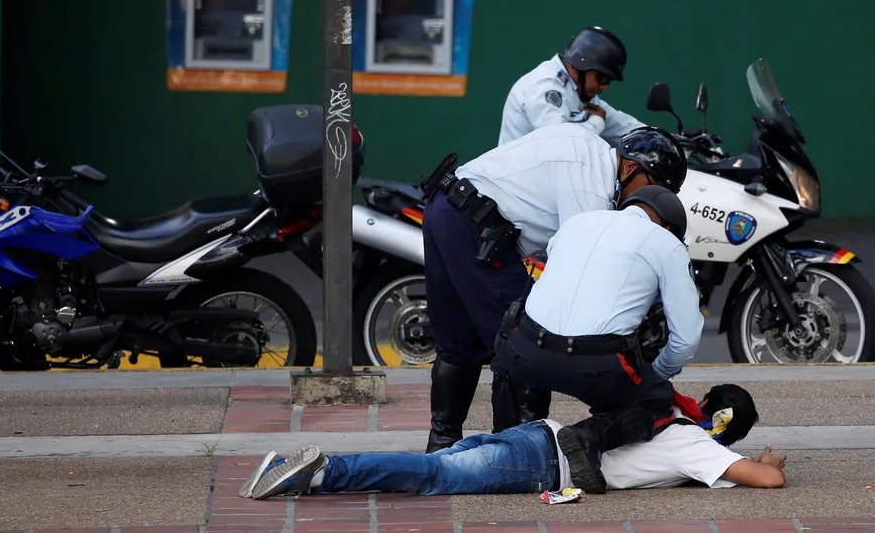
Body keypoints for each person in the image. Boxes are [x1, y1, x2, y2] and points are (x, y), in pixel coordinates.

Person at [420, 124, 687, 454]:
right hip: (476, 229)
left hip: (444, 208)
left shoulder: (586, 146)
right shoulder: (591, 189)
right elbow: (587, 267)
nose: (651, 200)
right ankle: (515, 452)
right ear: (631, 167)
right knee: (526, 339)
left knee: (457, 346)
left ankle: (441, 446)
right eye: (656, 186)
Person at [491, 184, 703, 496]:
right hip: (594, 364)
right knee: (656, 399)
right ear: (669, 227)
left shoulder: (578, 222)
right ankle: (587, 438)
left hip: (526, 350)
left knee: (514, 352)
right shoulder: (667, 244)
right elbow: (684, 341)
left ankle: (504, 448)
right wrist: (655, 376)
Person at [239, 384, 787, 500]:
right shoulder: (698, 447)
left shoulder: (663, 410)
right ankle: (321, 471)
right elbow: (769, 480)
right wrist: (761, 462)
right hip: (542, 465)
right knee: (433, 477)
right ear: (727, 432)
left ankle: (318, 468)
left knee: (433, 465)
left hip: (539, 434)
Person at [498, 27, 646, 147]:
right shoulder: (545, 86)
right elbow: (561, 146)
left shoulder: (578, 89)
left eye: (609, 81)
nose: (604, 87)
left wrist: (658, 138)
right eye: (602, 78)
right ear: (577, 67)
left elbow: (620, 124)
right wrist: (596, 122)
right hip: (514, 182)